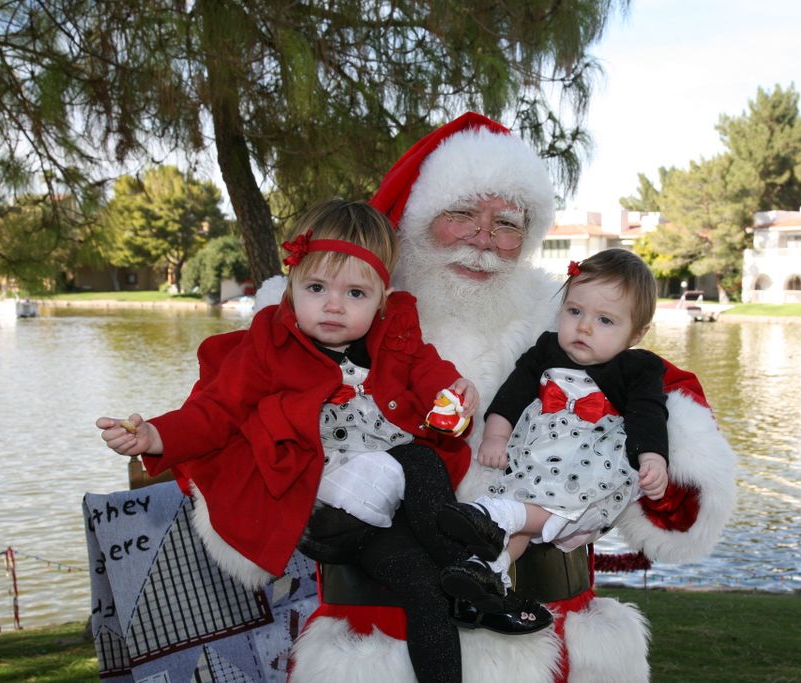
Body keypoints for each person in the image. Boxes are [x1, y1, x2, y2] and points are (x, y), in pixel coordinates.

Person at [283, 113, 737, 683]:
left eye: (506, 223)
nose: (483, 239)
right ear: (419, 221)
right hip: (378, 640)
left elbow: (657, 401)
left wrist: (668, 463)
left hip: (550, 632)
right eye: (462, 214)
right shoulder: (345, 316)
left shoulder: (562, 320)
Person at [96, 199, 548, 683]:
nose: (333, 304)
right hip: (325, 508)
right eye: (317, 288)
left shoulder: (396, 332)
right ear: (293, 287)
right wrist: (157, 435)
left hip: (384, 515)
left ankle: (462, 601)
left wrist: (455, 391)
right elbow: (216, 410)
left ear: (381, 299)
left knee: (424, 585)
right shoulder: (269, 344)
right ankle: (480, 575)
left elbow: (428, 369)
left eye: (355, 292)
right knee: (416, 461)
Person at [437, 248, 673, 599]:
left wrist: (653, 457)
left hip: (591, 469)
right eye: (574, 311)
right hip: (536, 459)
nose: (584, 326)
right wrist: (497, 436)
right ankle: (488, 570)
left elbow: (649, 414)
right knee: (518, 521)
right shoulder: (546, 350)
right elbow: (512, 394)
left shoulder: (638, 369)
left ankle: (495, 516)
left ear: (637, 334)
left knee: (534, 512)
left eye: (605, 320)